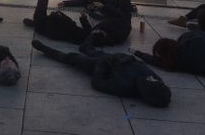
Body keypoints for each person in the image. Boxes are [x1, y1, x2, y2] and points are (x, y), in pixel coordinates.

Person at [31, 40, 171, 107]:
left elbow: (97, 83)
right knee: (94, 52)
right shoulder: (156, 80)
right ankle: (87, 47)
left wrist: (103, 64)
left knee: (71, 58)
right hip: (118, 59)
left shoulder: (124, 86)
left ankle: (46, 49)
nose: (150, 79)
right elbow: (140, 65)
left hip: (102, 66)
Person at [23, 0, 132, 48]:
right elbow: (84, 1)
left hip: (55, 28)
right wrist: (83, 18)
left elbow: (93, 33)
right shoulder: (119, 25)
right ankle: (35, 23)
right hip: (61, 28)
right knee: (44, 13)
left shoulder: (119, 24)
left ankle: (36, 23)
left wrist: (87, 18)